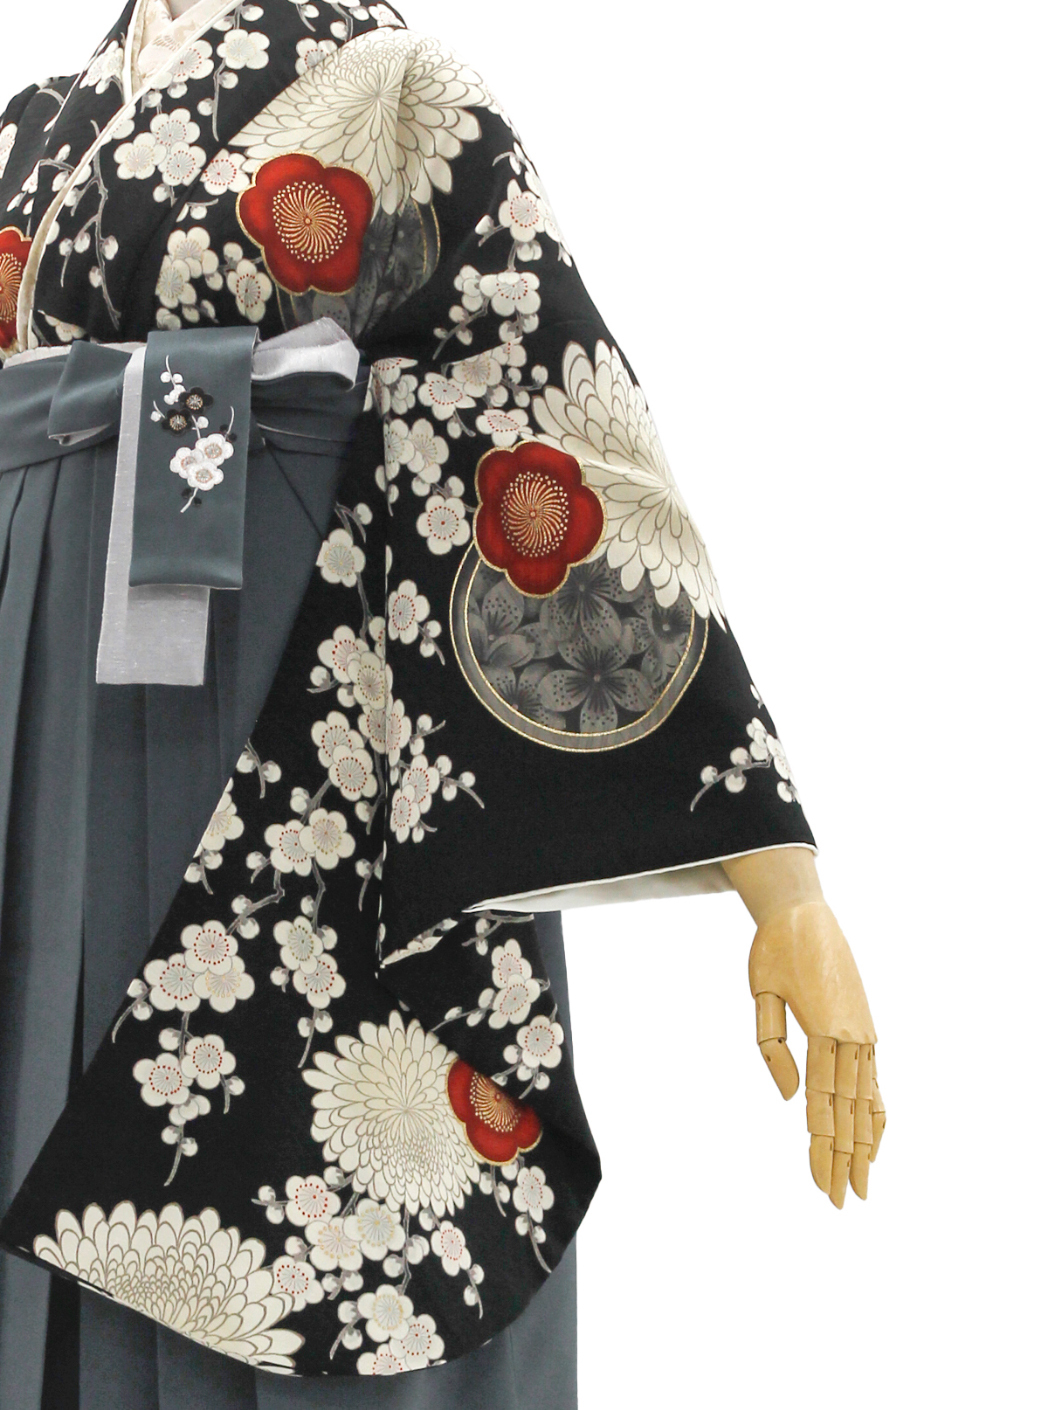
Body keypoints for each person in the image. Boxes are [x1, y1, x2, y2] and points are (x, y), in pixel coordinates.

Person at [0, 2, 885, 1406]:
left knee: (303, 1153)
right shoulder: (39, 126)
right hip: (36, 687)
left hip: (297, 682)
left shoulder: (397, 89)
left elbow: (552, 421)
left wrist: (783, 887)